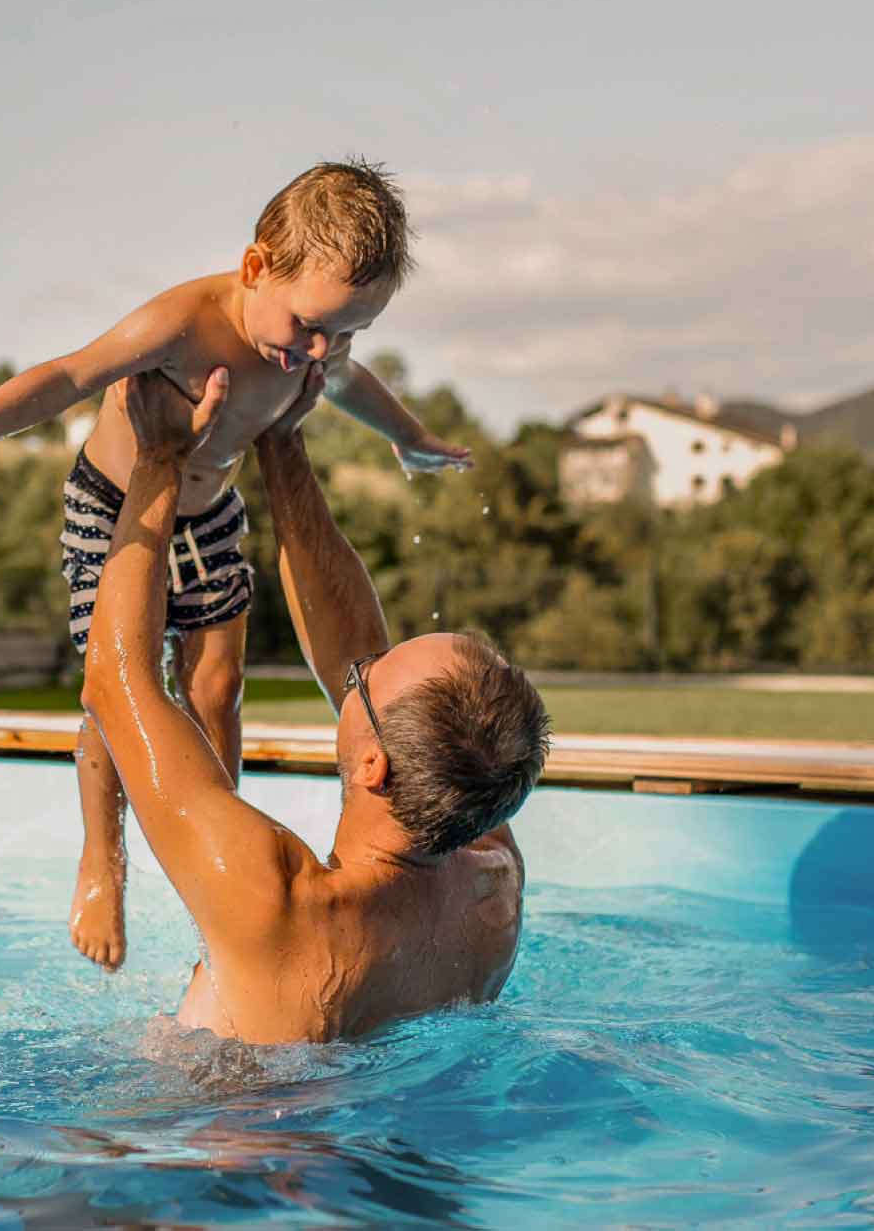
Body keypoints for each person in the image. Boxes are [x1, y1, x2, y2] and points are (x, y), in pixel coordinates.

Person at [0, 161, 473, 970]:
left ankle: (223, 854)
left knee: (219, 685)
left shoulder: (310, 347)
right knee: (115, 690)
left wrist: (412, 439)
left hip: (212, 511)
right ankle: (101, 860)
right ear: (256, 267)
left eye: (348, 332)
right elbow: (70, 375)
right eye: (309, 324)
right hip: (115, 513)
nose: (322, 350)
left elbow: (354, 388)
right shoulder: (184, 322)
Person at [76, 362, 549, 1044]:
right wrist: (281, 441)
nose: (356, 668)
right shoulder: (492, 878)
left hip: (215, 1133)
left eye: (368, 677)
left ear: (372, 769)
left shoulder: (280, 904)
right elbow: (352, 645)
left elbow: (116, 684)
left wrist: (159, 457)